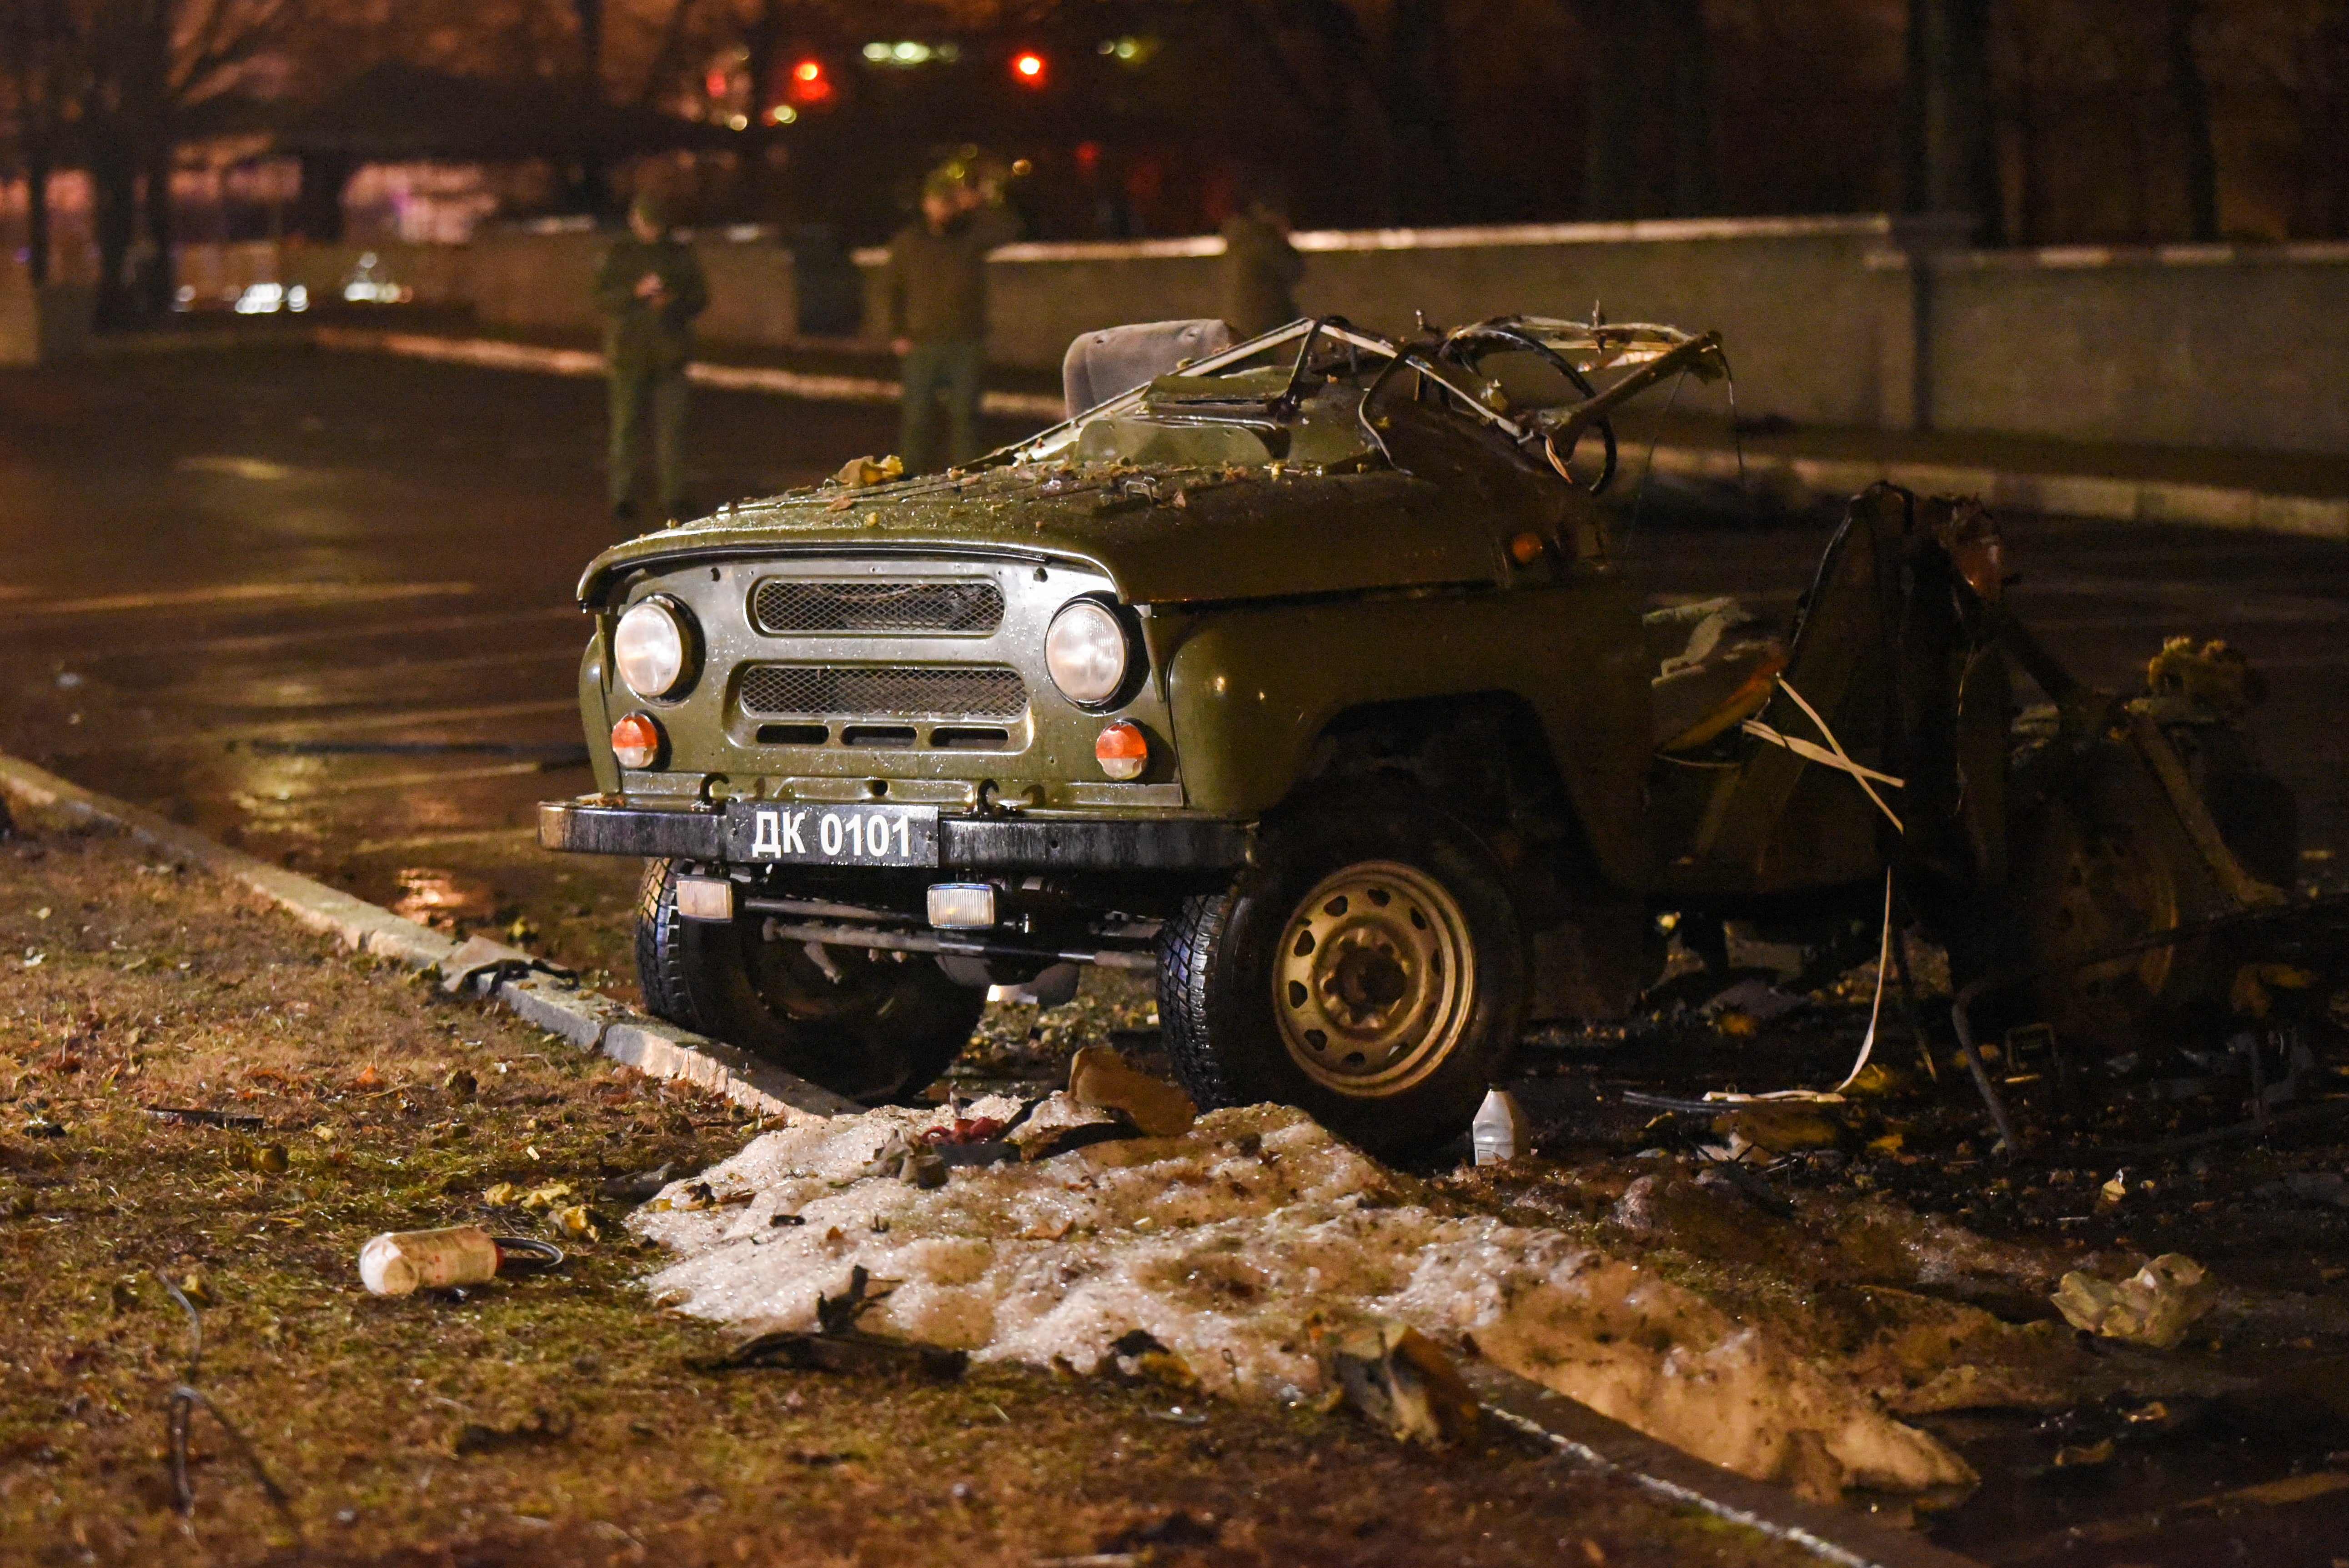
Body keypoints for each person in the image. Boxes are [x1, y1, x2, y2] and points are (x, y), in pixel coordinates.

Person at [880, 169, 1018, 475]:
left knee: (966, 417)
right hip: (922, 342)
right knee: (916, 418)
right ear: (926, 203)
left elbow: (1009, 229)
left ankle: (966, 477)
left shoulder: (972, 237)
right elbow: (892, 291)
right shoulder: (908, 243)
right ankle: (908, 479)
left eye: (950, 202)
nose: (944, 208)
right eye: (938, 201)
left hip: (965, 340)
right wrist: (897, 333)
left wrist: (981, 205)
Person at [594, 192, 708, 523]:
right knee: (625, 429)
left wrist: (672, 301)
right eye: (646, 223)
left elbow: (699, 297)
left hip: (669, 353)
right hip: (629, 354)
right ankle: (623, 495)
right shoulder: (620, 254)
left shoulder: (678, 254)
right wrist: (634, 293)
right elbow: (601, 296)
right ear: (635, 220)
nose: (650, 230)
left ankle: (674, 495)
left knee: (674, 430)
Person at [1219, 177, 1305, 339]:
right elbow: (1295, 269)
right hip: (1264, 329)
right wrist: (1283, 238)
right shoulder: (1264, 242)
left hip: (1242, 325)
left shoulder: (1241, 237)